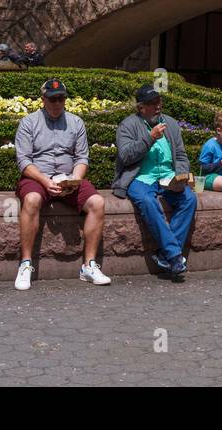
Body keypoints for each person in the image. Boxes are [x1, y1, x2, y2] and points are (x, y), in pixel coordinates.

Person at [13, 78, 109, 289]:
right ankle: (26, 264)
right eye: (52, 99)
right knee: (31, 199)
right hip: (38, 177)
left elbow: (82, 157)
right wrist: (45, 181)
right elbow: (24, 161)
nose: (57, 103)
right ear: (43, 99)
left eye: (61, 99)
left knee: (97, 203)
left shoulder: (76, 123)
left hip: (67, 177)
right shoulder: (28, 122)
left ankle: (89, 266)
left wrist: (74, 180)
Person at [114, 84, 197, 279]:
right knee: (148, 202)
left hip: (168, 177)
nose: (157, 106)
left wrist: (181, 176)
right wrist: (149, 138)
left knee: (189, 199)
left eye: (159, 101)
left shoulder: (171, 124)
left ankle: (165, 254)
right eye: (152, 103)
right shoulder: (128, 125)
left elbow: (181, 156)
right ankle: (175, 256)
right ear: (141, 107)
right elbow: (125, 156)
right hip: (141, 177)